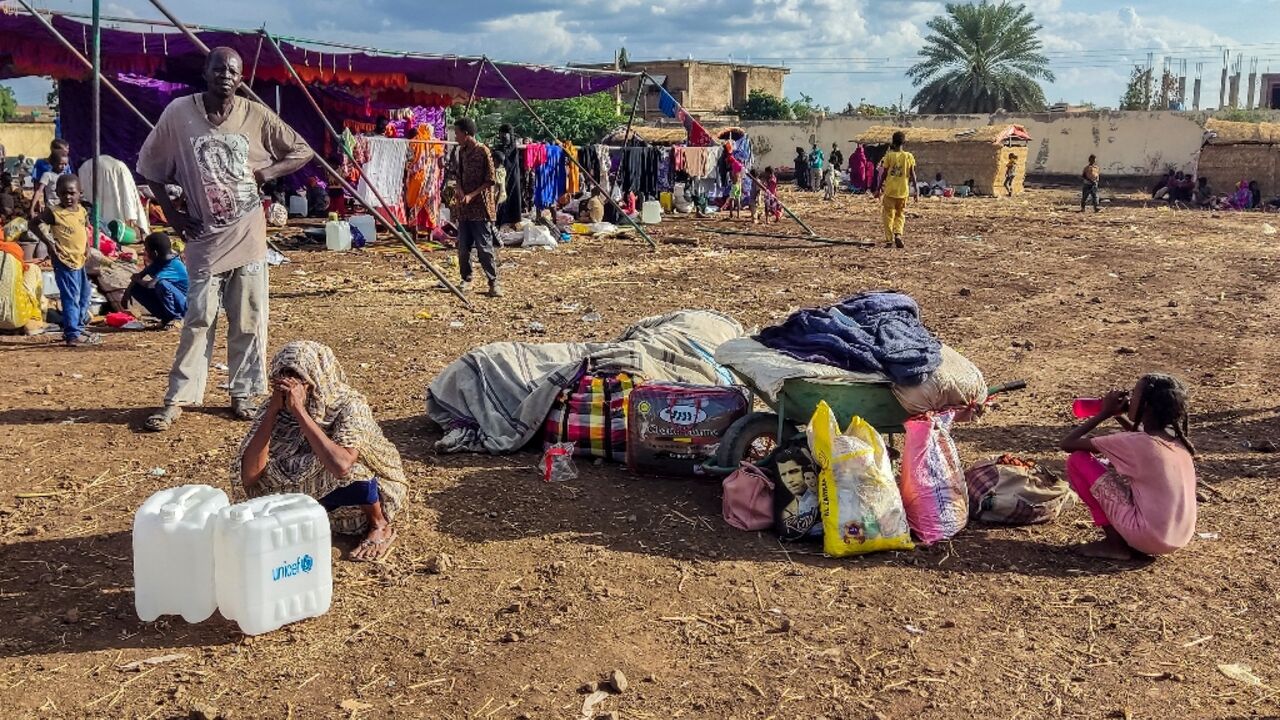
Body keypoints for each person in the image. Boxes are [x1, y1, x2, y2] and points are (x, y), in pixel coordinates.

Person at [136, 46, 313, 432]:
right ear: (206, 72)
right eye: (219, 69)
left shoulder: (255, 115)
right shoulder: (179, 114)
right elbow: (150, 168)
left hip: (248, 236)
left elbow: (302, 151)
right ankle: (178, 398)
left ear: (241, 78)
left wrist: (265, 173)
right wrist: (174, 217)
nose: (226, 76)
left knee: (248, 318)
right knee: (198, 318)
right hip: (204, 238)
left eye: (233, 71)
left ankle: (242, 393)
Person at [234, 341, 408, 561]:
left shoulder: (350, 405)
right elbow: (249, 476)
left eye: (297, 377)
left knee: (352, 470)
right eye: (283, 375)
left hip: (365, 490)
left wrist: (300, 412)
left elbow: (341, 465)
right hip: (312, 491)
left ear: (316, 378)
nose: (289, 384)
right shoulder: (274, 407)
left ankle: (378, 524)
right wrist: (272, 412)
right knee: (268, 476)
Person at [1059, 374, 1197, 560]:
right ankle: (1126, 540)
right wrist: (1119, 415)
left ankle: (1114, 544)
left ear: (1145, 406)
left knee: (1078, 460)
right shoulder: (1176, 441)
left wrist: (1105, 413)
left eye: (1134, 394)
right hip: (1177, 537)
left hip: (1147, 536)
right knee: (1110, 465)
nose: (1129, 399)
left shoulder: (1137, 443)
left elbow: (1068, 443)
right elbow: (1141, 438)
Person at [29, 175, 100, 346]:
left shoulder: (82, 210)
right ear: (57, 194)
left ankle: (77, 327)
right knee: (71, 297)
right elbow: (33, 224)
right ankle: (72, 335)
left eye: (71, 193)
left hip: (79, 260)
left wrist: (87, 247)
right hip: (64, 260)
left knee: (84, 295)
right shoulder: (54, 212)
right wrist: (49, 244)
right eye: (63, 194)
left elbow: (83, 228)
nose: (67, 197)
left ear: (80, 193)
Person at [450, 117, 502, 297]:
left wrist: (471, 195)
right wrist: (459, 190)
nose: (455, 137)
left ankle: (493, 282)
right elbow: (458, 175)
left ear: (466, 134)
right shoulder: (461, 152)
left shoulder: (483, 151)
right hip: (464, 209)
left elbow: (490, 180)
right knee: (463, 248)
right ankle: (466, 279)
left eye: (457, 133)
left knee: (484, 248)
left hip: (480, 208)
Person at [124, 232, 188, 329]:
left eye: (146, 249)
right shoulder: (158, 262)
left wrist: (137, 280)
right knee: (136, 288)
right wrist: (127, 294)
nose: (145, 251)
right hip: (174, 301)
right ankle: (166, 318)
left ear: (155, 253)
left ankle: (176, 318)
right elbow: (139, 276)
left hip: (185, 304)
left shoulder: (173, 265)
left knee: (161, 284)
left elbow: (150, 285)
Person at [873, 130, 917, 249]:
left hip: (890, 191)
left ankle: (889, 240)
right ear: (904, 142)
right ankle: (898, 234)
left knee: (888, 215)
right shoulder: (909, 156)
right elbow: (913, 174)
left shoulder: (889, 156)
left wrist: (878, 188)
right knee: (900, 214)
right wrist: (916, 190)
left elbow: (884, 174)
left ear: (893, 142)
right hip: (903, 191)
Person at [490, 124, 523, 227]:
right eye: (501, 136)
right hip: (501, 176)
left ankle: (512, 221)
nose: (503, 138)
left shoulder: (514, 148)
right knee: (500, 197)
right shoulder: (499, 147)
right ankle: (499, 222)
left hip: (512, 175)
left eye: (505, 136)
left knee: (512, 197)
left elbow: (507, 154)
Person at [30, 151, 70, 217]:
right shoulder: (48, 175)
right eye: (61, 164)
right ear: (54, 163)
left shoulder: (66, 176)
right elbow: (39, 191)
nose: (64, 167)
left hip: (64, 208)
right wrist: (32, 208)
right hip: (52, 208)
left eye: (66, 164)